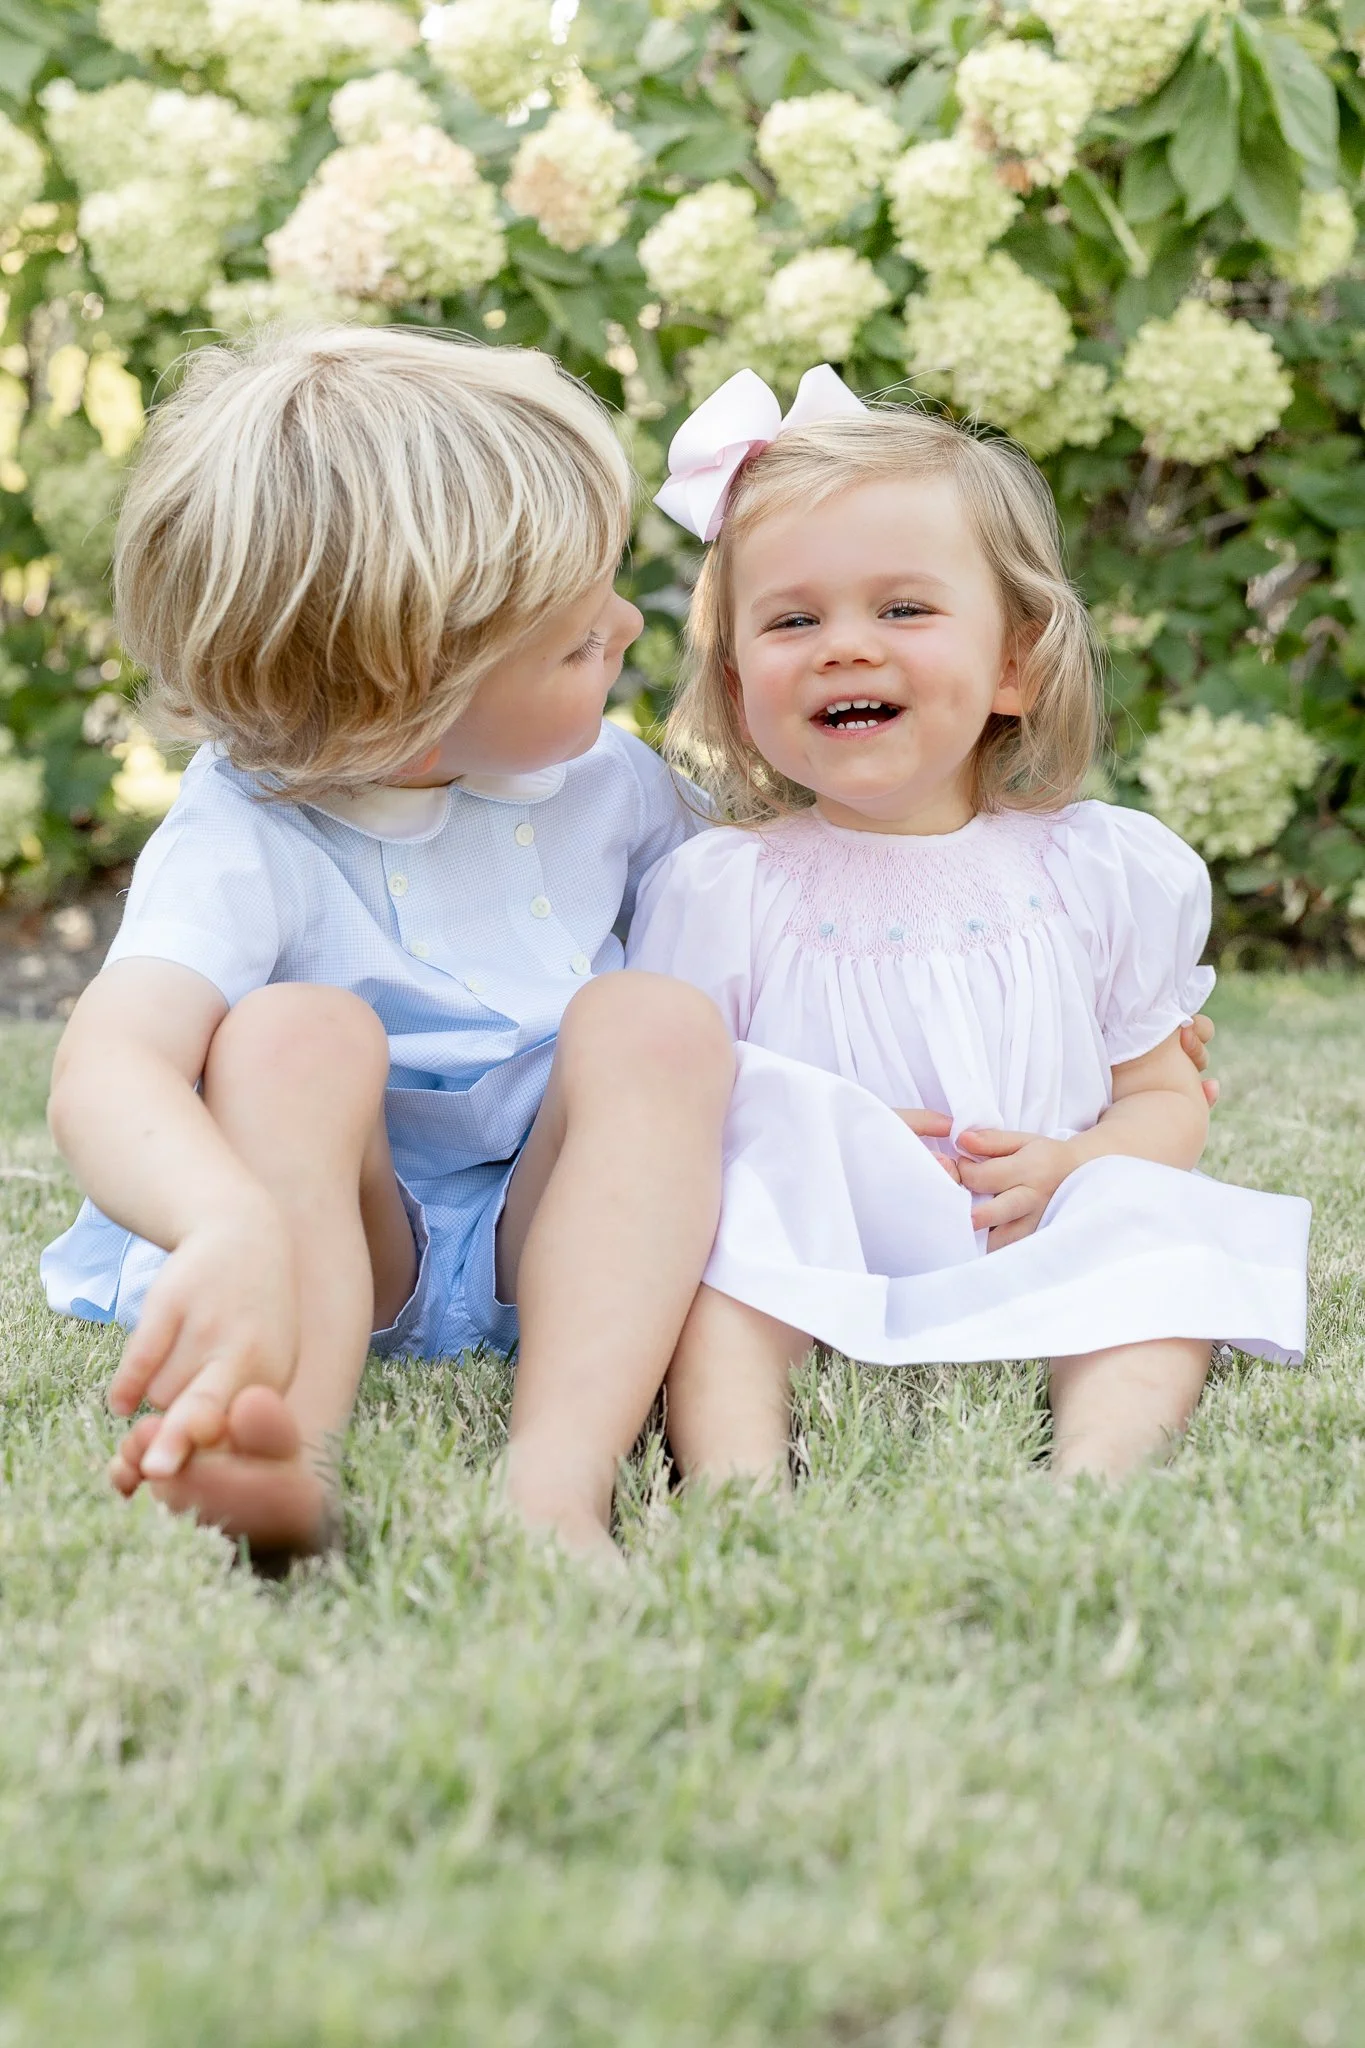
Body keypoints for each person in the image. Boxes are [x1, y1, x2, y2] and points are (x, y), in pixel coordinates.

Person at [41, 323, 735, 1567]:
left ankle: (556, 1483)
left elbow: (767, 915)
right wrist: (220, 1219)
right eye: (579, 641)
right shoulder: (244, 832)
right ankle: (280, 1460)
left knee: (658, 1021)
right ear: (409, 690)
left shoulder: (609, 781)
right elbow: (110, 1062)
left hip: (563, 1225)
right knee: (293, 1032)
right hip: (341, 1235)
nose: (629, 627)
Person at [627, 366, 1310, 1486]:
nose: (844, 645)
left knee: (1158, 1226)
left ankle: (1097, 1471)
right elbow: (669, 1111)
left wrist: (1076, 1161)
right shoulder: (725, 888)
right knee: (720, 1271)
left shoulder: (1096, 867)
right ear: (738, 678)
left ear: (1013, 662)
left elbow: (1164, 1094)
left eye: (903, 608)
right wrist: (806, 1134)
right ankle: (739, 1483)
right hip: (821, 1240)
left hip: (1036, 1223)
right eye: (793, 620)